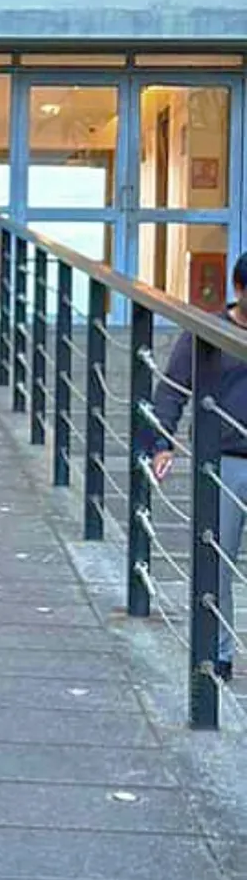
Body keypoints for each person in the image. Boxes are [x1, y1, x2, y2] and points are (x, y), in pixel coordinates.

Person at [144, 251, 247, 682]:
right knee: (216, 562)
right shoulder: (208, 332)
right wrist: (161, 443)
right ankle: (218, 654)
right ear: (239, 290)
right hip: (224, 460)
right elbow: (172, 389)